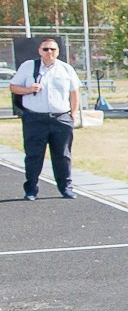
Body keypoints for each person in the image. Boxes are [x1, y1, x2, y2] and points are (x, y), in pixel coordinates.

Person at [12, 38, 81, 200]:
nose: (49, 52)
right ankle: (31, 189)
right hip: (35, 119)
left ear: (58, 52)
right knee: (33, 155)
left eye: (53, 49)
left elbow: (74, 93)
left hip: (61, 119)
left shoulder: (66, 69)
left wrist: (73, 114)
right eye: (45, 49)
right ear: (39, 51)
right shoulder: (28, 67)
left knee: (63, 155)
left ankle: (66, 188)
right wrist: (29, 89)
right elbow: (13, 87)